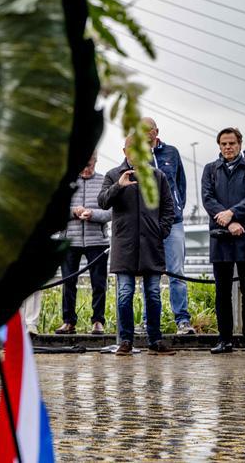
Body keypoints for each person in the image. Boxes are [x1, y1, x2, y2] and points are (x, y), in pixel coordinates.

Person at [98, 134, 176, 356]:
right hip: (125, 246)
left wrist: (161, 231)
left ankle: (155, 340)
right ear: (125, 152)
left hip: (151, 245)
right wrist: (119, 186)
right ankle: (125, 341)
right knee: (125, 294)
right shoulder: (113, 175)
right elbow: (102, 202)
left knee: (153, 294)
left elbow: (168, 208)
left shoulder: (158, 176)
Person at [201, 127, 245, 353]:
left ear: (239, 144)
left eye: (232, 143)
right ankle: (224, 340)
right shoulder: (210, 169)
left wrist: (233, 213)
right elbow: (208, 199)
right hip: (221, 237)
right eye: (224, 144)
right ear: (219, 146)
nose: (228, 147)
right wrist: (228, 222)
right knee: (222, 292)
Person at [141, 117, 194, 334]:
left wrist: (177, 207)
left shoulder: (172, 152)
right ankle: (148, 321)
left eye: (148, 129)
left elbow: (180, 183)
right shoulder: (136, 154)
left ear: (156, 131)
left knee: (177, 273)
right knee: (149, 273)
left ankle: (182, 320)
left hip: (173, 223)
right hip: (148, 223)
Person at [55, 154, 111, 335]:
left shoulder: (104, 181)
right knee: (68, 282)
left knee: (99, 283)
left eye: (89, 165)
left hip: (97, 241)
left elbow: (111, 212)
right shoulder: (67, 182)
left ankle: (98, 321)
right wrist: (74, 212)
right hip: (70, 240)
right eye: (83, 165)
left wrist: (92, 214)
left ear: (95, 161)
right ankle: (68, 321)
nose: (86, 169)